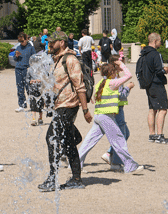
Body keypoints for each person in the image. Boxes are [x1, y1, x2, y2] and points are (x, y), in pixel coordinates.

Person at [38, 30, 92, 192]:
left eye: (52, 42)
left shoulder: (70, 60)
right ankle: (76, 179)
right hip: (60, 106)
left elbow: (79, 86)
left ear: (61, 43)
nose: (49, 44)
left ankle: (52, 179)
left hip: (68, 106)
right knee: (68, 142)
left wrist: (85, 110)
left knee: (51, 138)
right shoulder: (57, 60)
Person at [78, 62, 144, 173]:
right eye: (114, 71)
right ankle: (130, 166)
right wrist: (122, 64)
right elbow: (128, 76)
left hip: (98, 116)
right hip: (106, 117)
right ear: (111, 72)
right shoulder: (112, 83)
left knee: (88, 141)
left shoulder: (100, 83)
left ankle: (76, 165)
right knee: (119, 140)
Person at [137, 32, 168, 144]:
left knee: (152, 109)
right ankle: (160, 135)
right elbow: (159, 70)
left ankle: (152, 134)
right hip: (157, 84)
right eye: (159, 41)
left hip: (148, 84)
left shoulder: (144, 53)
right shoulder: (155, 54)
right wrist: (167, 70)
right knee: (162, 109)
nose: (160, 43)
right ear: (155, 41)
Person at [13, 32, 36, 112]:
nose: (21, 43)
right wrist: (16, 56)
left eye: (22, 41)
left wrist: (31, 67)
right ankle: (22, 105)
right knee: (20, 87)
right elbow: (14, 59)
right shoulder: (18, 47)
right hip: (18, 68)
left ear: (26, 39)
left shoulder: (31, 48)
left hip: (26, 69)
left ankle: (33, 105)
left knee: (29, 87)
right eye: (20, 41)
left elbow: (34, 58)